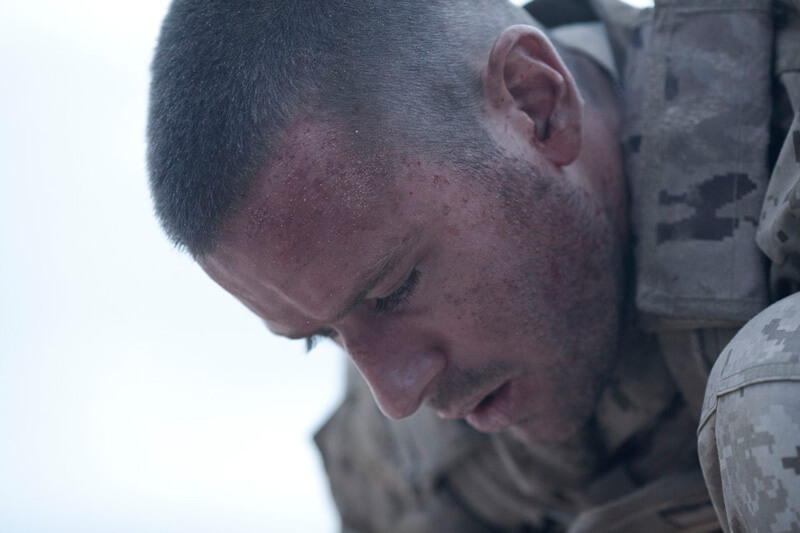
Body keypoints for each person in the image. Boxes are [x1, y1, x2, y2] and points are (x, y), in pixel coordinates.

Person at [146, 0, 800, 530]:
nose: (398, 397)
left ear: (536, 105)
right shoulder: (406, 464)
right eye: (325, 336)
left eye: (394, 288)